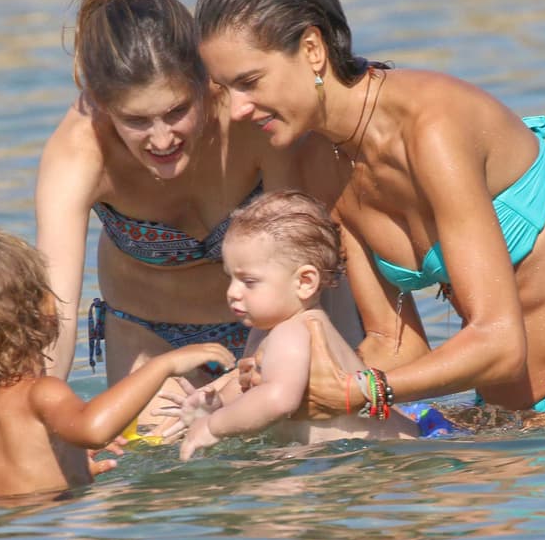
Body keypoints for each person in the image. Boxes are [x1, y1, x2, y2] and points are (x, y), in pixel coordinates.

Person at [195, 0, 545, 420]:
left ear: (313, 50)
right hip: (502, 418)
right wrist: (268, 382)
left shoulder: (433, 128)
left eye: (250, 82)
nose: (238, 109)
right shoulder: (321, 161)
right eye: (226, 90)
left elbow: (502, 344)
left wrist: (364, 391)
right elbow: (394, 343)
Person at [33, 0, 301, 436]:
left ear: (204, 81)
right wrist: (37, 428)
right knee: (164, 487)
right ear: (100, 103)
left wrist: (250, 379)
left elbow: (300, 256)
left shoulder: (246, 117)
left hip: (274, 327)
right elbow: (55, 312)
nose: (161, 139)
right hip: (151, 339)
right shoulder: (80, 151)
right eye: (136, 120)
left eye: (177, 111)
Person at [0, 226, 236, 498]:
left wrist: (64, 460)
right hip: (49, 537)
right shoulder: (43, 392)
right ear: (40, 310)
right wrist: (164, 364)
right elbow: (93, 429)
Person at [177, 190, 440, 460]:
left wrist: (213, 426)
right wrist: (217, 405)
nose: (233, 292)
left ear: (304, 282)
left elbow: (278, 399)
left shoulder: (293, 331)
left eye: (249, 281)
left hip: (388, 455)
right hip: (360, 452)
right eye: (230, 278)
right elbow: (254, 389)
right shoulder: (268, 328)